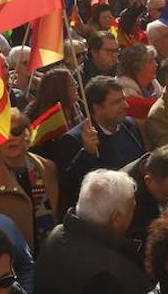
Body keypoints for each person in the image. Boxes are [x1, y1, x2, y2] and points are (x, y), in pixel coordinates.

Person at [0, 108, 60, 253]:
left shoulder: (47, 167)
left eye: (16, 131)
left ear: (26, 134)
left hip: (50, 255)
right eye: (2, 134)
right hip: (9, 255)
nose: (10, 138)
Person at [55, 76, 146, 206]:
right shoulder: (73, 140)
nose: (126, 106)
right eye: (117, 102)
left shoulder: (130, 125)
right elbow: (70, 187)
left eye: (124, 99)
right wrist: (87, 153)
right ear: (97, 108)